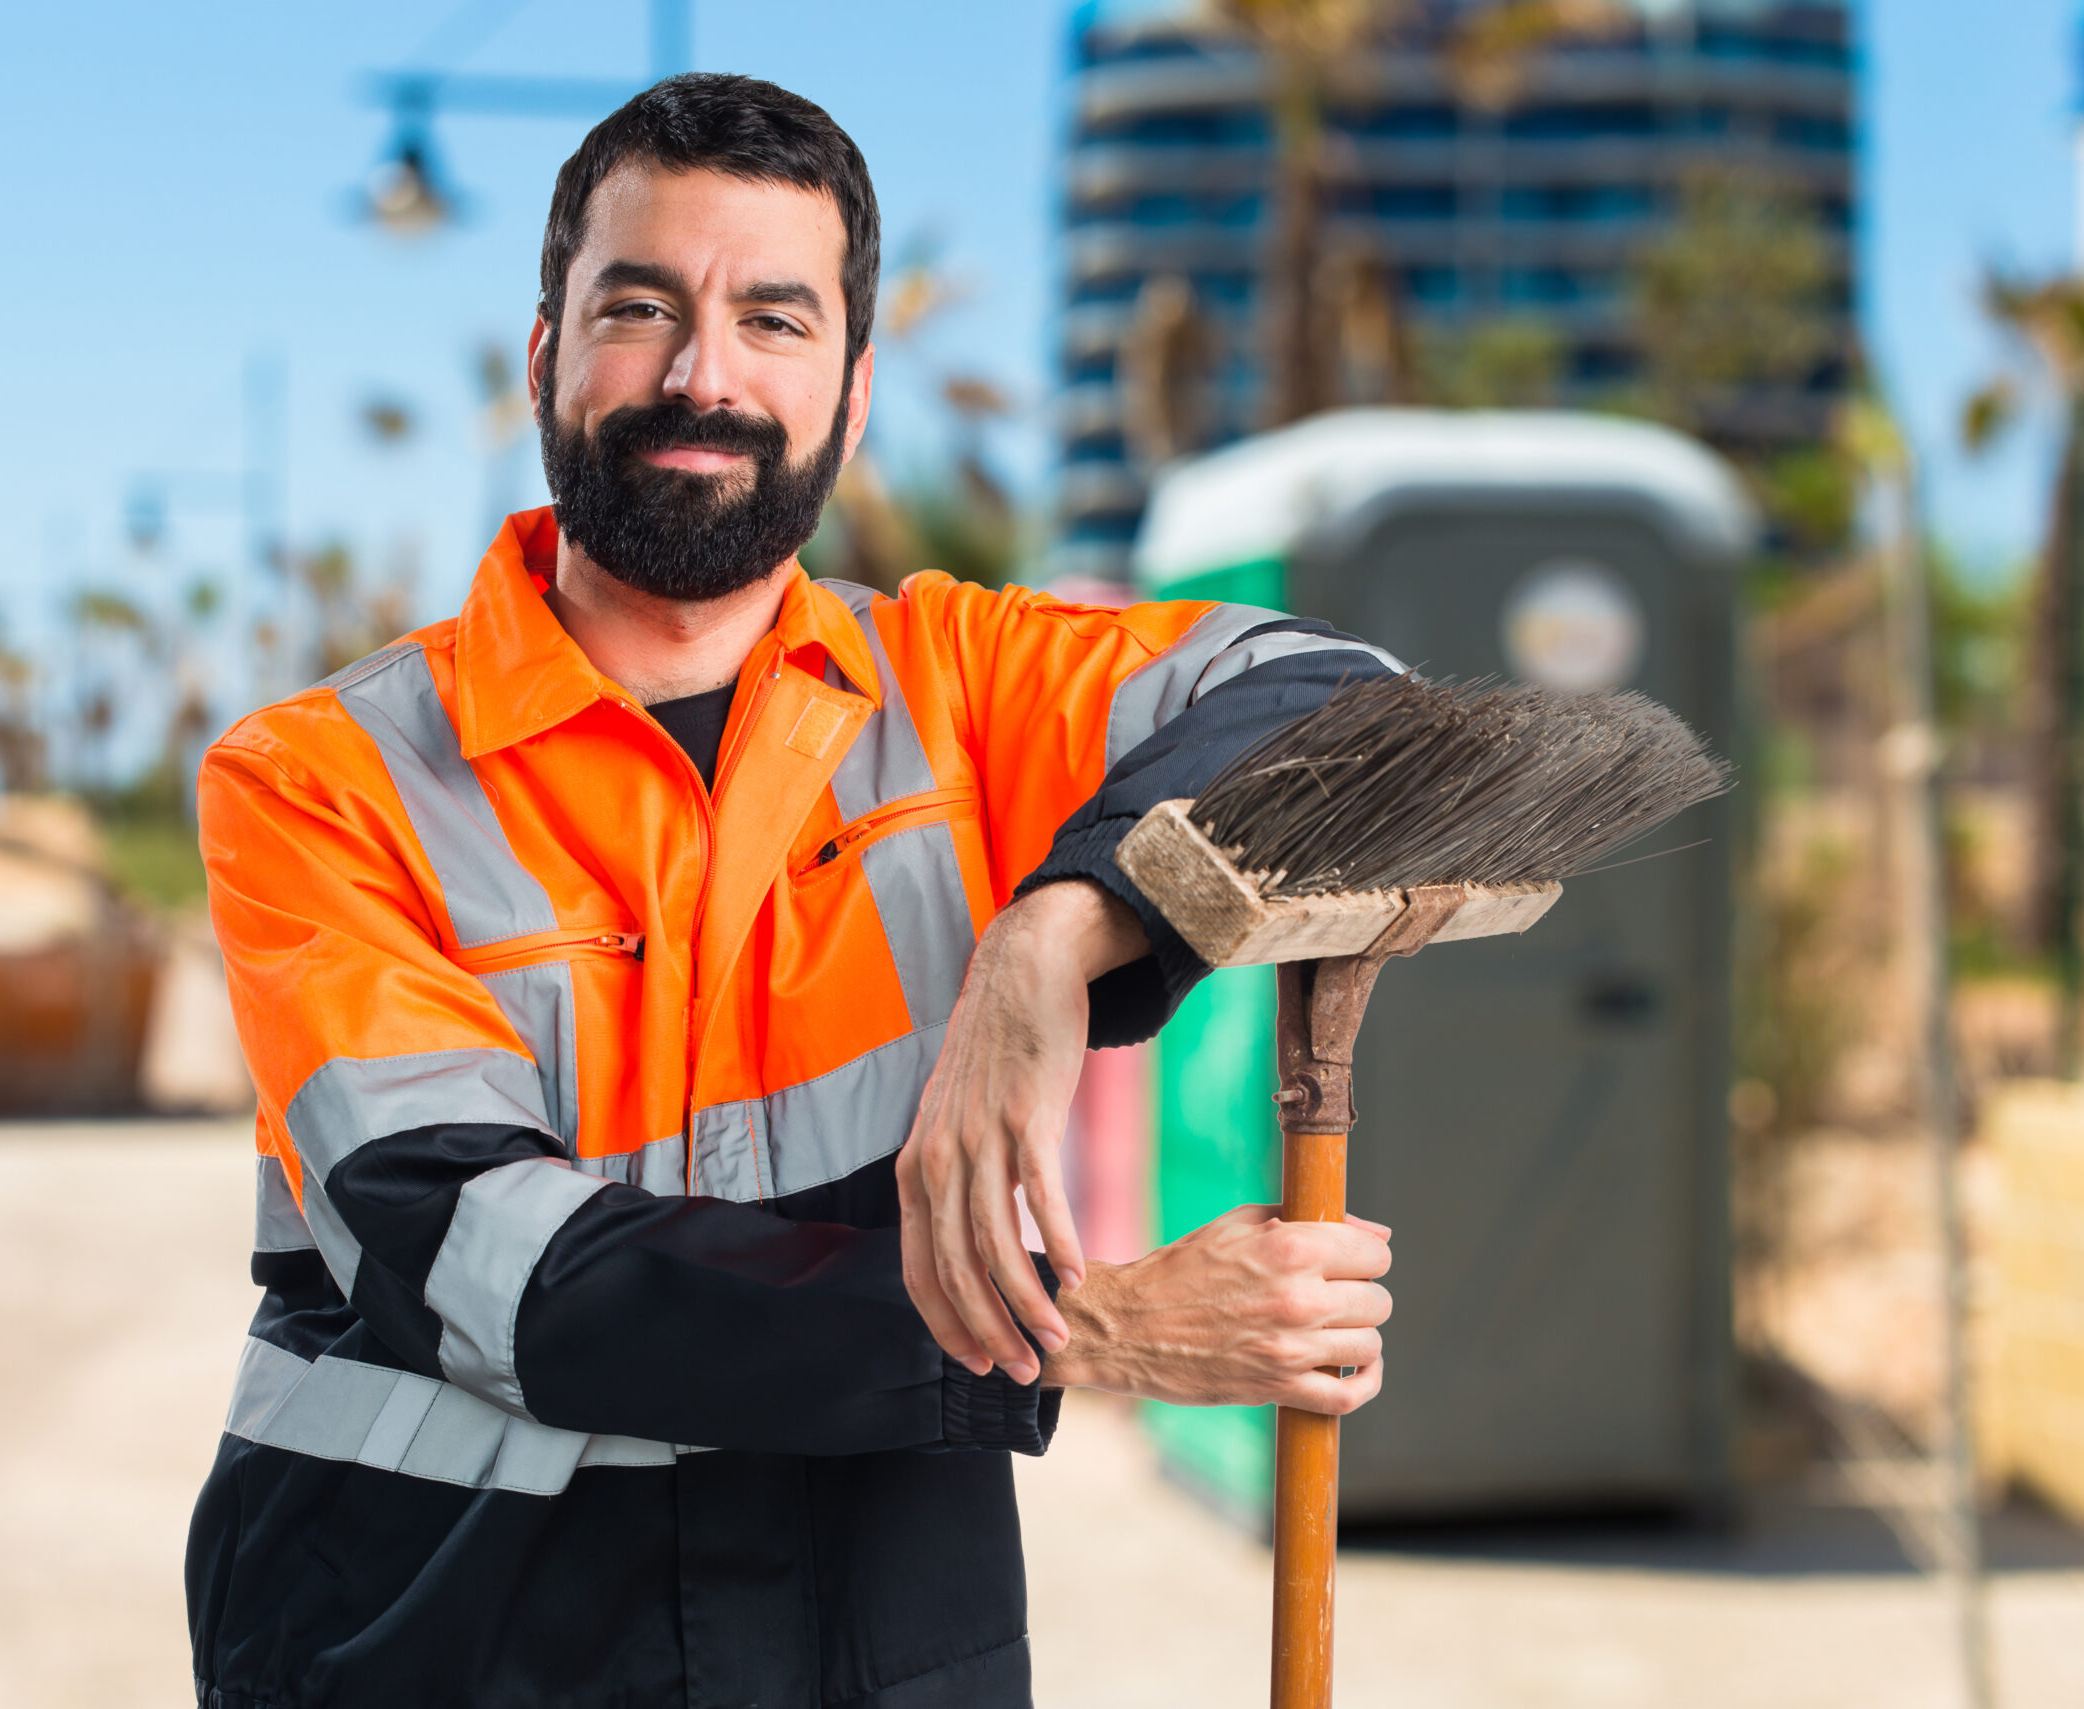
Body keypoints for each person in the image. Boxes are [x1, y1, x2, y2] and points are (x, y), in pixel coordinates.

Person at [187, 72, 1400, 1709]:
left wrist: (1058, 926)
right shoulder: (324, 779)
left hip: (866, 1651)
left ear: (854, 388)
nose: (706, 374)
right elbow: (497, 1268)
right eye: (640, 309)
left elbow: (1350, 706)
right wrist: (1085, 1329)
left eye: (775, 319)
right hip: (438, 1645)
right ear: (544, 354)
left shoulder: (958, 692)